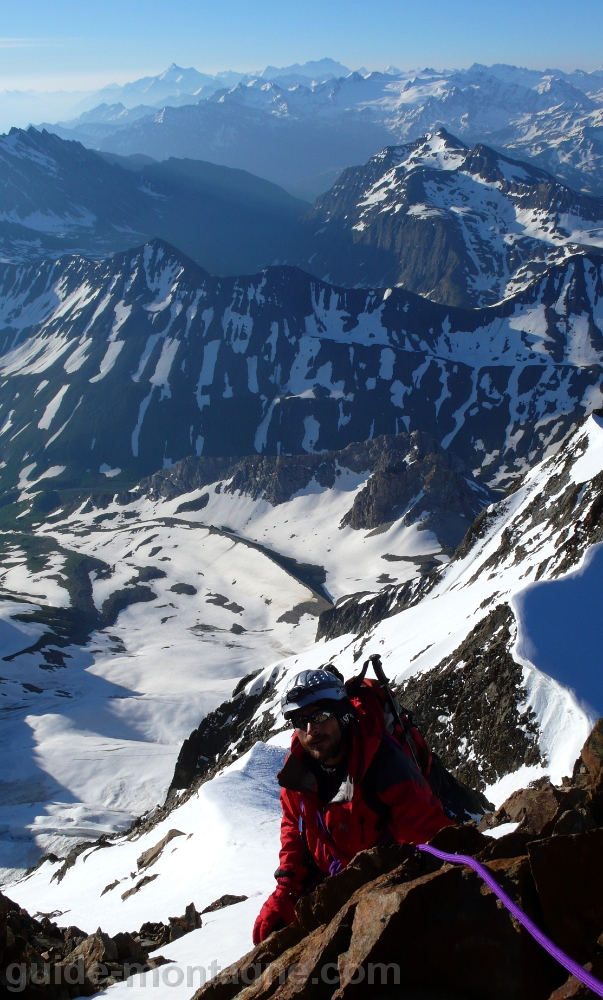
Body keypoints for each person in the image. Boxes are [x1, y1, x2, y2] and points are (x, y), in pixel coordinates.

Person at [252, 667, 452, 944]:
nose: (311, 730)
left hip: (384, 870)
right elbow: (294, 830)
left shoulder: (384, 764)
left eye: (320, 716)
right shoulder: (296, 776)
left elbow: (428, 836)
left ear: (343, 714)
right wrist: (285, 890)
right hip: (337, 870)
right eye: (300, 720)